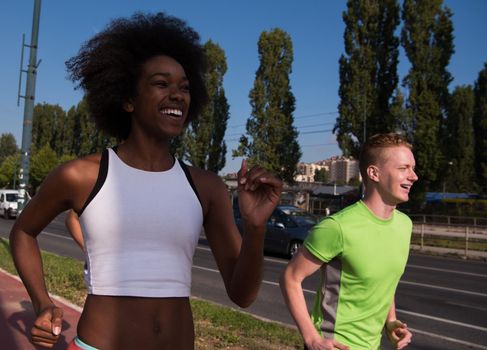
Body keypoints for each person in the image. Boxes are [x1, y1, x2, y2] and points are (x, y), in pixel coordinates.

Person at [10, 12, 282, 350]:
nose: (177, 95)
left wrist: (255, 229)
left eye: (184, 87)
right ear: (127, 99)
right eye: (161, 84)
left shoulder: (206, 187)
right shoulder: (81, 176)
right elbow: (22, 231)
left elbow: (242, 295)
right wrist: (43, 303)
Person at [280, 133, 417, 350]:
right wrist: (312, 338)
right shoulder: (338, 227)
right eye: (404, 168)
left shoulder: (404, 225)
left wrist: (390, 320)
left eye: (412, 168)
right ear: (374, 173)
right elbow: (290, 278)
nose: (414, 176)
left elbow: (385, 282)